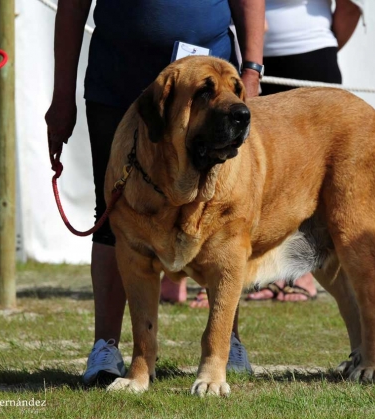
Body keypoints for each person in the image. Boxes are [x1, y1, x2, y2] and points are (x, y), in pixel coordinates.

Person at [46, 0, 264, 384]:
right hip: (117, 83)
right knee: (114, 216)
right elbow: (72, 7)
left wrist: (252, 71)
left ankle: (225, 344)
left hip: (207, 87)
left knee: (222, 217)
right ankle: (107, 347)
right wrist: (61, 94)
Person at [246, 0, 361, 302]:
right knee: (258, 175)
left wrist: (316, 44)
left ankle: (302, 273)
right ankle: (264, 272)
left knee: (313, 181)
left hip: (309, 53)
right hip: (248, 60)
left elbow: (351, 7)